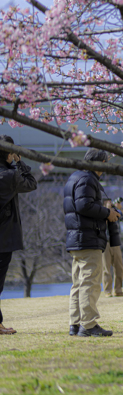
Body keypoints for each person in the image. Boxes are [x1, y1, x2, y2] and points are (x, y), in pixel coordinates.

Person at [64, 148, 119, 337]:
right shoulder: (88, 179)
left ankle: (75, 323)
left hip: (77, 239)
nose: (106, 167)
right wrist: (107, 213)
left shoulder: (75, 177)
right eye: (105, 163)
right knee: (91, 283)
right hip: (88, 239)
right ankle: (88, 325)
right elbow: (83, 205)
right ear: (99, 163)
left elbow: (80, 204)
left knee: (78, 283)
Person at [0, 136, 38, 335]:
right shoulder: (9, 176)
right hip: (3, 239)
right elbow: (31, 183)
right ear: (9, 153)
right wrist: (19, 162)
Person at [102, 202, 123, 297]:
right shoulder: (101, 212)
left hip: (115, 241)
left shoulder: (116, 212)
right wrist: (106, 211)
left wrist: (120, 208)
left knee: (119, 267)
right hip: (105, 242)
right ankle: (107, 291)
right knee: (106, 268)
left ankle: (118, 290)